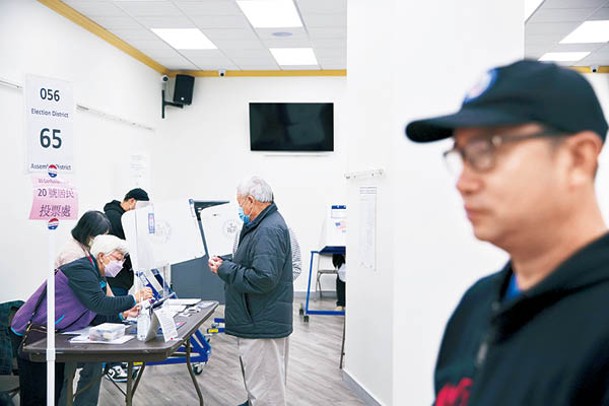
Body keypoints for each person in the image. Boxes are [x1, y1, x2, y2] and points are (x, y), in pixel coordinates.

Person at [405, 59, 609, 405]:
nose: (463, 182)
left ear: (578, 159)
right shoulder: (477, 305)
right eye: (461, 157)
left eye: (485, 152)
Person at [10, 235, 152, 406]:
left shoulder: (97, 275)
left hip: (56, 335)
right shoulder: (81, 271)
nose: (120, 264)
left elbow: (96, 309)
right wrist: (133, 299)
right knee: (38, 393)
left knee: (54, 390)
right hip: (32, 331)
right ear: (101, 255)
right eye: (117, 258)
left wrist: (124, 313)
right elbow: (99, 303)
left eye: (122, 260)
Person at [208, 176, 293, 406]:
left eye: (239, 203)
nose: (239, 209)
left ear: (251, 200)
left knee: (266, 393)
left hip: (261, 322)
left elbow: (264, 278)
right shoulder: (262, 226)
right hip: (257, 318)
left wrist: (226, 269)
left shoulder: (268, 230)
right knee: (261, 387)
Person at [55, 211, 111, 406]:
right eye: (98, 236)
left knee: (94, 366)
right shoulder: (72, 254)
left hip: (84, 319)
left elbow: (101, 283)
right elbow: (91, 294)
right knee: (67, 374)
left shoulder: (86, 250)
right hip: (70, 321)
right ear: (88, 232)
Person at [103, 188, 150, 296]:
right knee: (118, 309)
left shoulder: (116, 216)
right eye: (140, 208)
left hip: (117, 278)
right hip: (116, 278)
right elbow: (129, 247)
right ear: (132, 201)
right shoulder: (117, 219)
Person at [233, 224, 302, 281]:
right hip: (245, 292)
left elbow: (296, 266)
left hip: (275, 294)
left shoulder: (283, 231)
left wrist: (274, 286)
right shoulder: (241, 231)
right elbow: (235, 262)